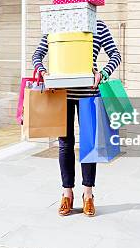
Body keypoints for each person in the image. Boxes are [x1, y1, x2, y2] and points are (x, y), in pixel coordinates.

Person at [32, 19, 121, 217]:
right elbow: (37, 55)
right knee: (65, 144)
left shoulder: (97, 25)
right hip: (60, 95)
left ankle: (88, 194)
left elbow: (116, 54)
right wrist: (45, 73)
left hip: (89, 94)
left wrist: (104, 73)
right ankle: (67, 194)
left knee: (89, 145)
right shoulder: (56, 24)